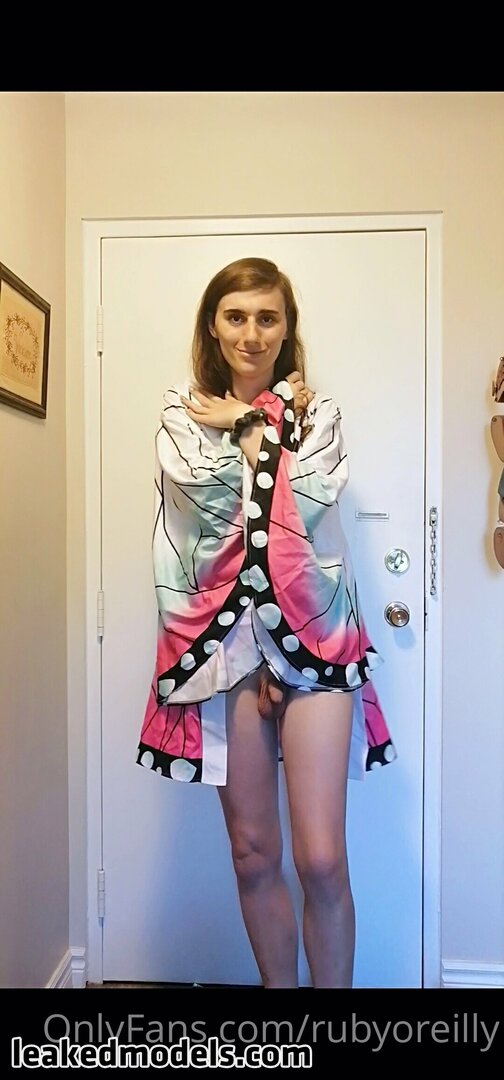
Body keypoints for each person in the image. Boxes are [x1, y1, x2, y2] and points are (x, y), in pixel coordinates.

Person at [137, 256, 396, 989]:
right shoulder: (182, 413)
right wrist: (262, 437)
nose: (251, 333)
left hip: (314, 643)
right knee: (253, 854)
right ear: (213, 327)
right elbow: (210, 498)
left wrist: (249, 425)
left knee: (322, 858)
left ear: (287, 329)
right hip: (223, 650)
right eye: (236, 316)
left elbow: (305, 504)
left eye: (267, 317)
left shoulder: (322, 415)